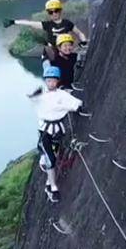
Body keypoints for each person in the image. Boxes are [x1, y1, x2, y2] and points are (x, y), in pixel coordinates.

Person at [29, 63, 83, 203]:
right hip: (46, 131)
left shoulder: (61, 94)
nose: (51, 83)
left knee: (55, 154)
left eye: (53, 80)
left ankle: (49, 181)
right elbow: (33, 100)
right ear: (45, 81)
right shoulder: (42, 96)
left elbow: (76, 102)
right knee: (51, 160)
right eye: (48, 80)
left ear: (57, 81)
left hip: (57, 131)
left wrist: (76, 107)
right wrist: (34, 97)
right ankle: (53, 187)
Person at [3, 0, 89, 61]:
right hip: (52, 52)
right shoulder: (47, 25)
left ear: (60, 11)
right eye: (51, 12)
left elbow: (79, 33)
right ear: (48, 13)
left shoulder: (67, 23)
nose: (54, 13)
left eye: (56, 10)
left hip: (65, 50)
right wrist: (14, 22)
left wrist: (83, 41)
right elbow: (30, 23)